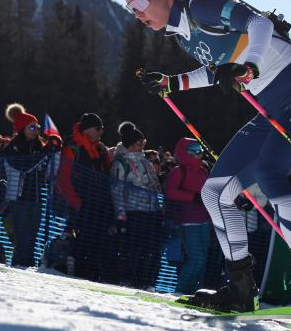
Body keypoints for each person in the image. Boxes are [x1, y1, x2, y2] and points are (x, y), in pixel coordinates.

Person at [128, 0, 291, 310]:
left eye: (141, 3)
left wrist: (250, 66)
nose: (138, 14)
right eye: (131, 8)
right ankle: (240, 289)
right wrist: (172, 83)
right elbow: (217, 69)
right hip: (269, 112)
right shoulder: (184, 35)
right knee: (215, 192)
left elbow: (259, 24)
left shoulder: (200, 7)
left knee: (269, 172)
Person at [57, 113, 114, 281]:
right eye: (98, 128)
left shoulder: (101, 150)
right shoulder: (73, 149)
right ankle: (79, 274)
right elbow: (63, 180)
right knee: (83, 243)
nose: (101, 132)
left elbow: (108, 178)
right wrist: (78, 203)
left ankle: (95, 276)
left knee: (100, 243)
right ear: (88, 129)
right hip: (83, 206)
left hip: (102, 206)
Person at [110, 122, 165, 289]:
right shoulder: (121, 163)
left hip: (150, 211)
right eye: (140, 143)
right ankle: (128, 280)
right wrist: (120, 216)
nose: (142, 146)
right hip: (133, 211)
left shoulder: (146, 162)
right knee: (134, 248)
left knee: (150, 249)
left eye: (143, 142)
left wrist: (159, 208)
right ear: (131, 144)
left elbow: (155, 186)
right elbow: (116, 191)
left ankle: (146, 281)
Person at [0, 103, 48, 268]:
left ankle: (28, 267)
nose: (36, 130)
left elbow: (45, 170)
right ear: (22, 128)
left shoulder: (38, 146)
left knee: (33, 238)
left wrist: (53, 151)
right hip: (18, 198)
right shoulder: (12, 148)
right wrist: (43, 154)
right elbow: (24, 166)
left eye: (37, 127)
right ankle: (19, 267)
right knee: (23, 237)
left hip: (36, 197)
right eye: (32, 127)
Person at [164, 138, 211, 294]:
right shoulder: (178, 172)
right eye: (194, 150)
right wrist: (192, 197)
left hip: (204, 220)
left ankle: (196, 292)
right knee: (196, 259)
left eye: (199, 149)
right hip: (188, 221)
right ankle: (181, 291)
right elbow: (170, 191)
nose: (199, 153)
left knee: (202, 261)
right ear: (185, 153)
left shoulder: (203, 171)